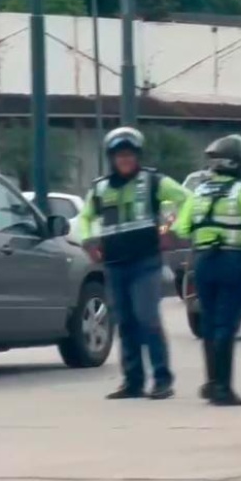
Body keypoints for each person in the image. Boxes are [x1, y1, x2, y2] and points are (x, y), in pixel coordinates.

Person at [80, 126, 190, 400]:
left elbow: (188, 199)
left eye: (129, 154)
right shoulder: (100, 188)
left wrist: (176, 230)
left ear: (137, 156)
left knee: (147, 319)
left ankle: (162, 379)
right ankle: (133, 382)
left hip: (146, 263)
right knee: (125, 322)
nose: (125, 160)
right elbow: (84, 218)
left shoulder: (154, 182)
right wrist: (88, 240)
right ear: (112, 158)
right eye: (119, 155)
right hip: (115, 265)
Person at [173, 135, 241, 406]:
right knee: (226, 325)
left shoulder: (199, 193)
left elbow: (181, 228)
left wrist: (208, 231)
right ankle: (224, 388)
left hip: (204, 263)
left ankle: (211, 381)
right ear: (238, 164)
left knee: (208, 323)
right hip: (234, 262)